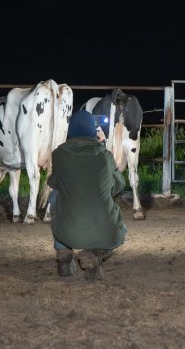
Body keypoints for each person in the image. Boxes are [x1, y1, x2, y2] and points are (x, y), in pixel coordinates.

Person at [47, 110, 128, 280]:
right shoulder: (105, 155)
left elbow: (53, 183)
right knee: (110, 208)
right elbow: (119, 185)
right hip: (106, 232)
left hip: (67, 232)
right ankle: (94, 253)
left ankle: (63, 254)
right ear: (93, 131)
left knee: (55, 195)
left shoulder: (59, 154)